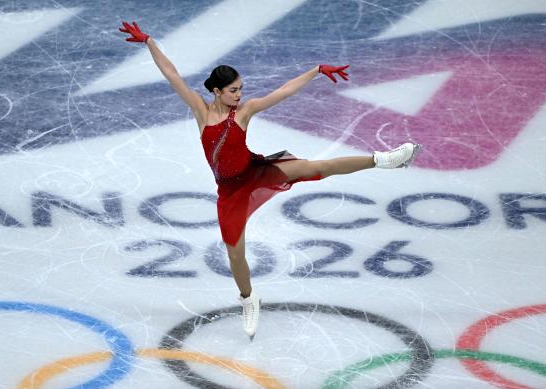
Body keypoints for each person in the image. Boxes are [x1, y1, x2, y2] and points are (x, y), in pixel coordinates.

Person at [119, 21, 421, 339]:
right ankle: (249, 300)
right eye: (233, 90)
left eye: (240, 89)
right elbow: (171, 73)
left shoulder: (245, 111)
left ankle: (384, 160)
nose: (239, 95)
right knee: (235, 253)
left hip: (255, 170)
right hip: (230, 191)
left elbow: (283, 92)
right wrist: (150, 41)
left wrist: (316, 70)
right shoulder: (201, 111)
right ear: (216, 92)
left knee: (316, 167)